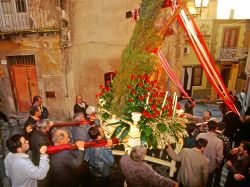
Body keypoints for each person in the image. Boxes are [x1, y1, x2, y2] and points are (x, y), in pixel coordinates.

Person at [196, 120, 224, 187]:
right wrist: (218, 165)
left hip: (197, 163)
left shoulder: (200, 135)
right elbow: (219, 157)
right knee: (208, 183)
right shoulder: (219, 142)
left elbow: (195, 148)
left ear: (207, 126)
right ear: (216, 128)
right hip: (210, 167)